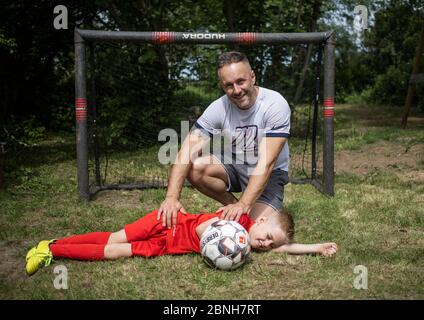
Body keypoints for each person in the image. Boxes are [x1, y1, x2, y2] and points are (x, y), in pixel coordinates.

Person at [158, 51, 291, 232]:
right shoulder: (218, 107)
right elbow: (186, 152)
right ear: (222, 85)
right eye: (229, 85)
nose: (236, 90)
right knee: (196, 167)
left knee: (256, 231)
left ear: (252, 76)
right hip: (236, 164)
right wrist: (171, 197)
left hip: (269, 173)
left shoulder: (275, 104)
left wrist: (245, 204)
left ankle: (243, 209)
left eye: (241, 81)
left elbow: (266, 164)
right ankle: (233, 206)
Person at [25, 208, 337, 276]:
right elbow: (202, 230)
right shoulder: (237, 219)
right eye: (267, 237)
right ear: (262, 220)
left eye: (269, 245)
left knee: (113, 253)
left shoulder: (247, 241)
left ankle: (52, 251)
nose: (266, 244)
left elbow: (285, 246)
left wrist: (317, 247)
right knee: (113, 236)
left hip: (167, 246)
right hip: (166, 221)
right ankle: (51, 244)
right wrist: (219, 236)